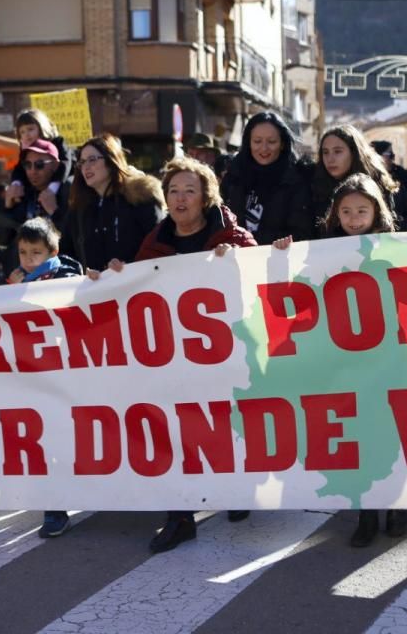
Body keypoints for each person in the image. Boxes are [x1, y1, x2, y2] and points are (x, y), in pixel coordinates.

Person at [134, 157, 257, 553]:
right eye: (173, 191)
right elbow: (134, 292)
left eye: (189, 190)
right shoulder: (154, 242)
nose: (180, 198)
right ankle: (180, 517)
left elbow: (262, 279)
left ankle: (236, 491)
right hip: (174, 358)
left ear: (206, 197)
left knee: (226, 424)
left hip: (226, 355)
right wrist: (115, 276)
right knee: (176, 429)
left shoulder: (233, 237)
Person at [315, 173, 407, 545]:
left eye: (362, 210)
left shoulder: (394, 245)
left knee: (392, 429)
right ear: (335, 214)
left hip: (391, 354)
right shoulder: (320, 253)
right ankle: (367, 512)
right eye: (346, 211)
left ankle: (399, 504)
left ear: (377, 211)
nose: (354, 219)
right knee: (360, 432)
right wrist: (281, 253)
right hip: (347, 358)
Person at [4, 217, 83, 538]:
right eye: (23, 252)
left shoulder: (70, 276)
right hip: (35, 375)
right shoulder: (17, 281)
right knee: (47, 439)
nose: (28, 260)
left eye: (35, 252)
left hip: (71, 374)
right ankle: (55, 507)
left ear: (53, 250)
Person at [63, 134, 164, 273]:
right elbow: (66, 256)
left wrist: (128, 267)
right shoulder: (78, 208)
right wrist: (81, 273)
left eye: (92, 160)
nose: (85, 167)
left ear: (111, 160)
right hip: (93, 293)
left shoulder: (140, 198)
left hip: (139, 289)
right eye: (82, 162)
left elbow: (160, 245)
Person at [220, 112, 313, 245]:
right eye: (257, 141)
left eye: (272, 142)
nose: (264, 148)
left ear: (282, 144)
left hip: (278, 258)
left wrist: (253, 241)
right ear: (248, 143)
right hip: (235, 260)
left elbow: (302, 232)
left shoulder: (297, 180)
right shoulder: (234, 175)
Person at [0, 139, 72, 274]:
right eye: (27, 165)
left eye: (39, 165)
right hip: (22, 277)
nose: (32, 171)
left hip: (59, 276)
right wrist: (8, 208)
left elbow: (75, 238)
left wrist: (54, 212)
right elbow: (1, 240)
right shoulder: (22, 193)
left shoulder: (68, 192)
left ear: (55, 165)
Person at [309, 125, 400, 234]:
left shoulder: (377, 185)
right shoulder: (313, 184)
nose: (330, 159)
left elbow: (388, 229)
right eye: (325, 152)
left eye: (338, 151)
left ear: (354, 152)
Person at [5, 109, 71, 213]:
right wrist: (16, 185)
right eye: (22, 132)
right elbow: (18, 170)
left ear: (42, 128)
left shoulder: (58, 142)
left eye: (30, 129)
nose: (26, 134)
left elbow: (65, 164)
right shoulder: (25, 151)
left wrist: (52, 189)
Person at [371, 140, 407, 219]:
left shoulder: (400, 174)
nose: (393, 158)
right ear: (378, 156)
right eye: (390, 155)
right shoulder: (369, 180)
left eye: (393, 155)